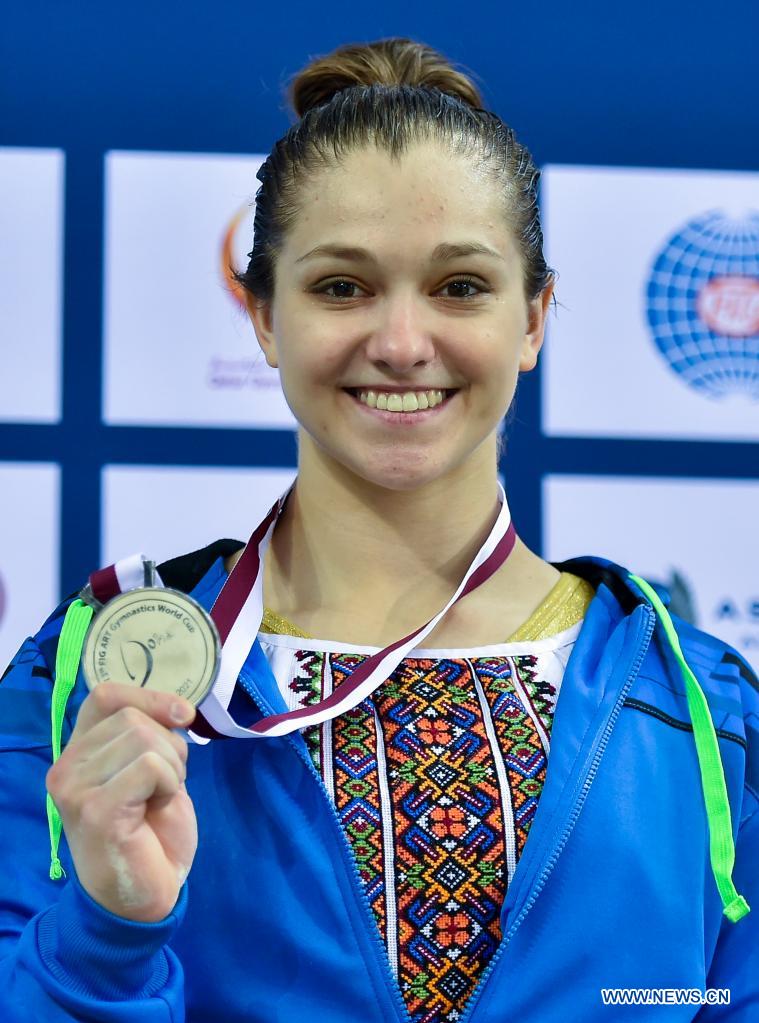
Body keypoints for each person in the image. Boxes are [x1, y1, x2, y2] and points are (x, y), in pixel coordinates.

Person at [0, 36, 756, 1023]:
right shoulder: (96, 678)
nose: (401, 344)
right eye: (342, 287)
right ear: (264, 315)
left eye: (460, 287)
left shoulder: (698, 706)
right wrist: (108, 933)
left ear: (534, 318)